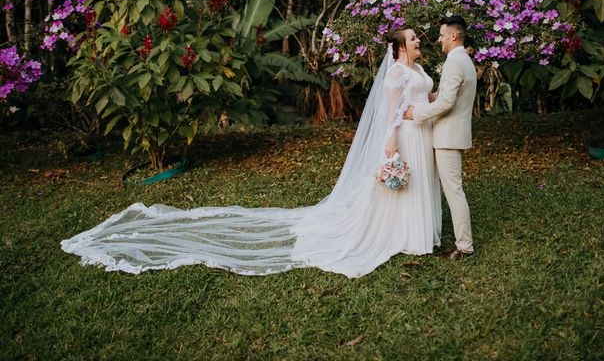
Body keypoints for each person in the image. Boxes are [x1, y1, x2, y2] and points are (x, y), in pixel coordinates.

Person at [61, 29, 442, 278]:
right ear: (398, 47)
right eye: (412, 39)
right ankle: (399, 233)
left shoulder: (419, 69)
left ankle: (417, 232)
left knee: (418, 183)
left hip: (420, 132)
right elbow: (390, 111)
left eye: (417, 39)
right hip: (403, 135)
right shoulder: (395, 73)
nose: (418, 41)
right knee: (397, 188)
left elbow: (423, 98)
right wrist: (390, 141)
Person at [403, 16, 477, 260]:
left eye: (442, 35)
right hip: (452, 133)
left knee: (454, 191)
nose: (439, 39)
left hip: (448, 136)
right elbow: (448, 96)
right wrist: (432, 96)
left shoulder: (455, 61)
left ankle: (464, 247)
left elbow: (447, 103)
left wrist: (417, 114)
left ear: (454, 36)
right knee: (453, 189)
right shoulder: (463, 59)